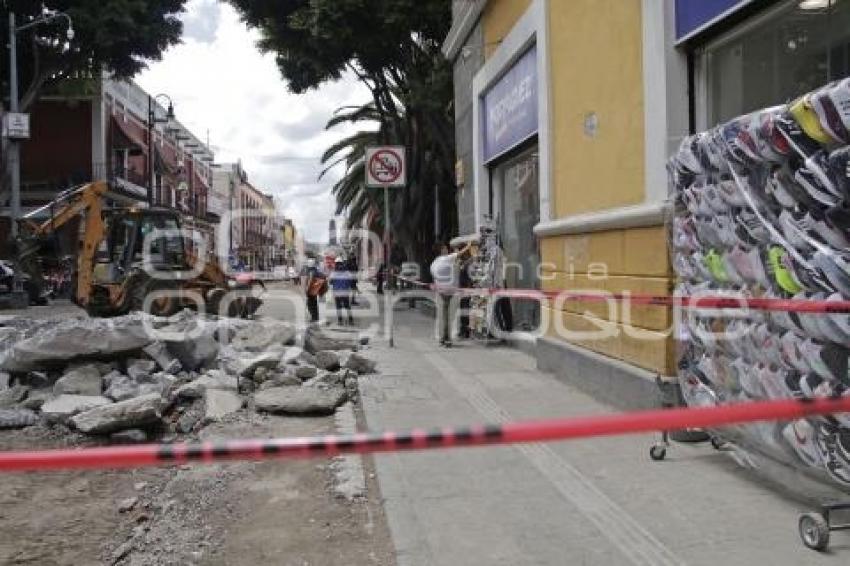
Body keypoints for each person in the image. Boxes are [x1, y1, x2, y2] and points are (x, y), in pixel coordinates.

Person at [430, 242, 473, 347]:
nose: (447, 250)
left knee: (443, 316)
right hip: (450, 292)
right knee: (449, 317)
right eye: (445, 248)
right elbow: (459, 255)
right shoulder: (445, 259)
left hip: (441, 292)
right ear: (441, 250)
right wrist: (469, 245)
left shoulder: (434, 263)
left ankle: (443, 338)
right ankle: (447, 339)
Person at [330, 258, 355, 326]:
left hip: (337, 292)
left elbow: (331, 282)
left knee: (338, 307)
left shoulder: (334, 272)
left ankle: (340, 321)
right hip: (345, 292)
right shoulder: (347, 272)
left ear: (336, 264)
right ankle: (351, 320)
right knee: (347, 306)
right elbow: (351, 281)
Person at [302, 258, 326, 323]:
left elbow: (309, 281)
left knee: (310, 305)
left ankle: (314, 317)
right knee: (314, 304)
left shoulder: (311, 272)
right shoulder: (316, 270)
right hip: (315, 291)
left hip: (310, 291)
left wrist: (306, 290)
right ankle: (316, 317)